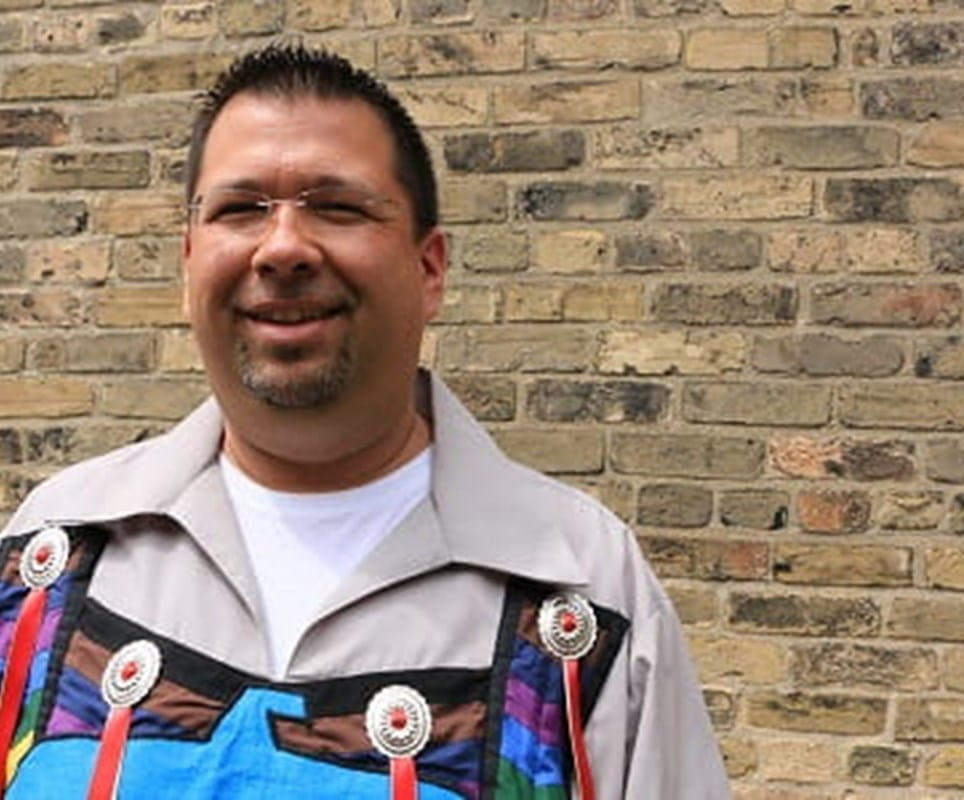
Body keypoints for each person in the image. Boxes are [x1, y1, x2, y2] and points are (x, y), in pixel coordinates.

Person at [0, 44, 730, 799]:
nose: (282, 246)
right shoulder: (50, 559)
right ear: (189, 264)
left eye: (339, 207)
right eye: (241, 208)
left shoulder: (582, 594)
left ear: (429, 270)